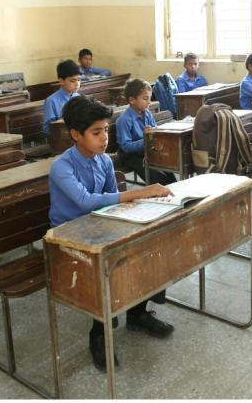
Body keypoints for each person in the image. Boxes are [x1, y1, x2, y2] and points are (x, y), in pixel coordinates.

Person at [49, 96, 174, 372]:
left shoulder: (104, 160)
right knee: (111, 265)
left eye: (106, 130)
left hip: (98, 225)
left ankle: (138, 313)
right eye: (96, 132)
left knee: (149, 243)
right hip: (69, 238)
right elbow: (85, 201)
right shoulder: (62, 167)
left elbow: (109, 200)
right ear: (75, 135)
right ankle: (98, 331)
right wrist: (141, 191)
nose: (105, 137)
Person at [116, 79, 177, 185]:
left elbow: (154, 131)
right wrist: (146, 139)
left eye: (150, 98)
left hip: (146, 150)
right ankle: (159, 192)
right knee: (156, 177)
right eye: (145, 98)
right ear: (132, 100)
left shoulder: (147, 114)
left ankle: (172, 188)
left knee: (169, 170)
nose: (149, 102)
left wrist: (155, 133)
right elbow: (125, 146)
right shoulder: (124, 120)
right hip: (130, 155)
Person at [42, 59, 82, 136]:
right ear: (61, 81)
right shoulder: (51, 101)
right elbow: (47, 130)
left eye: (79, 80)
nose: (77, 84)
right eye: (73, 81)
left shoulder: (79, 98)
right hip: (61, 140)